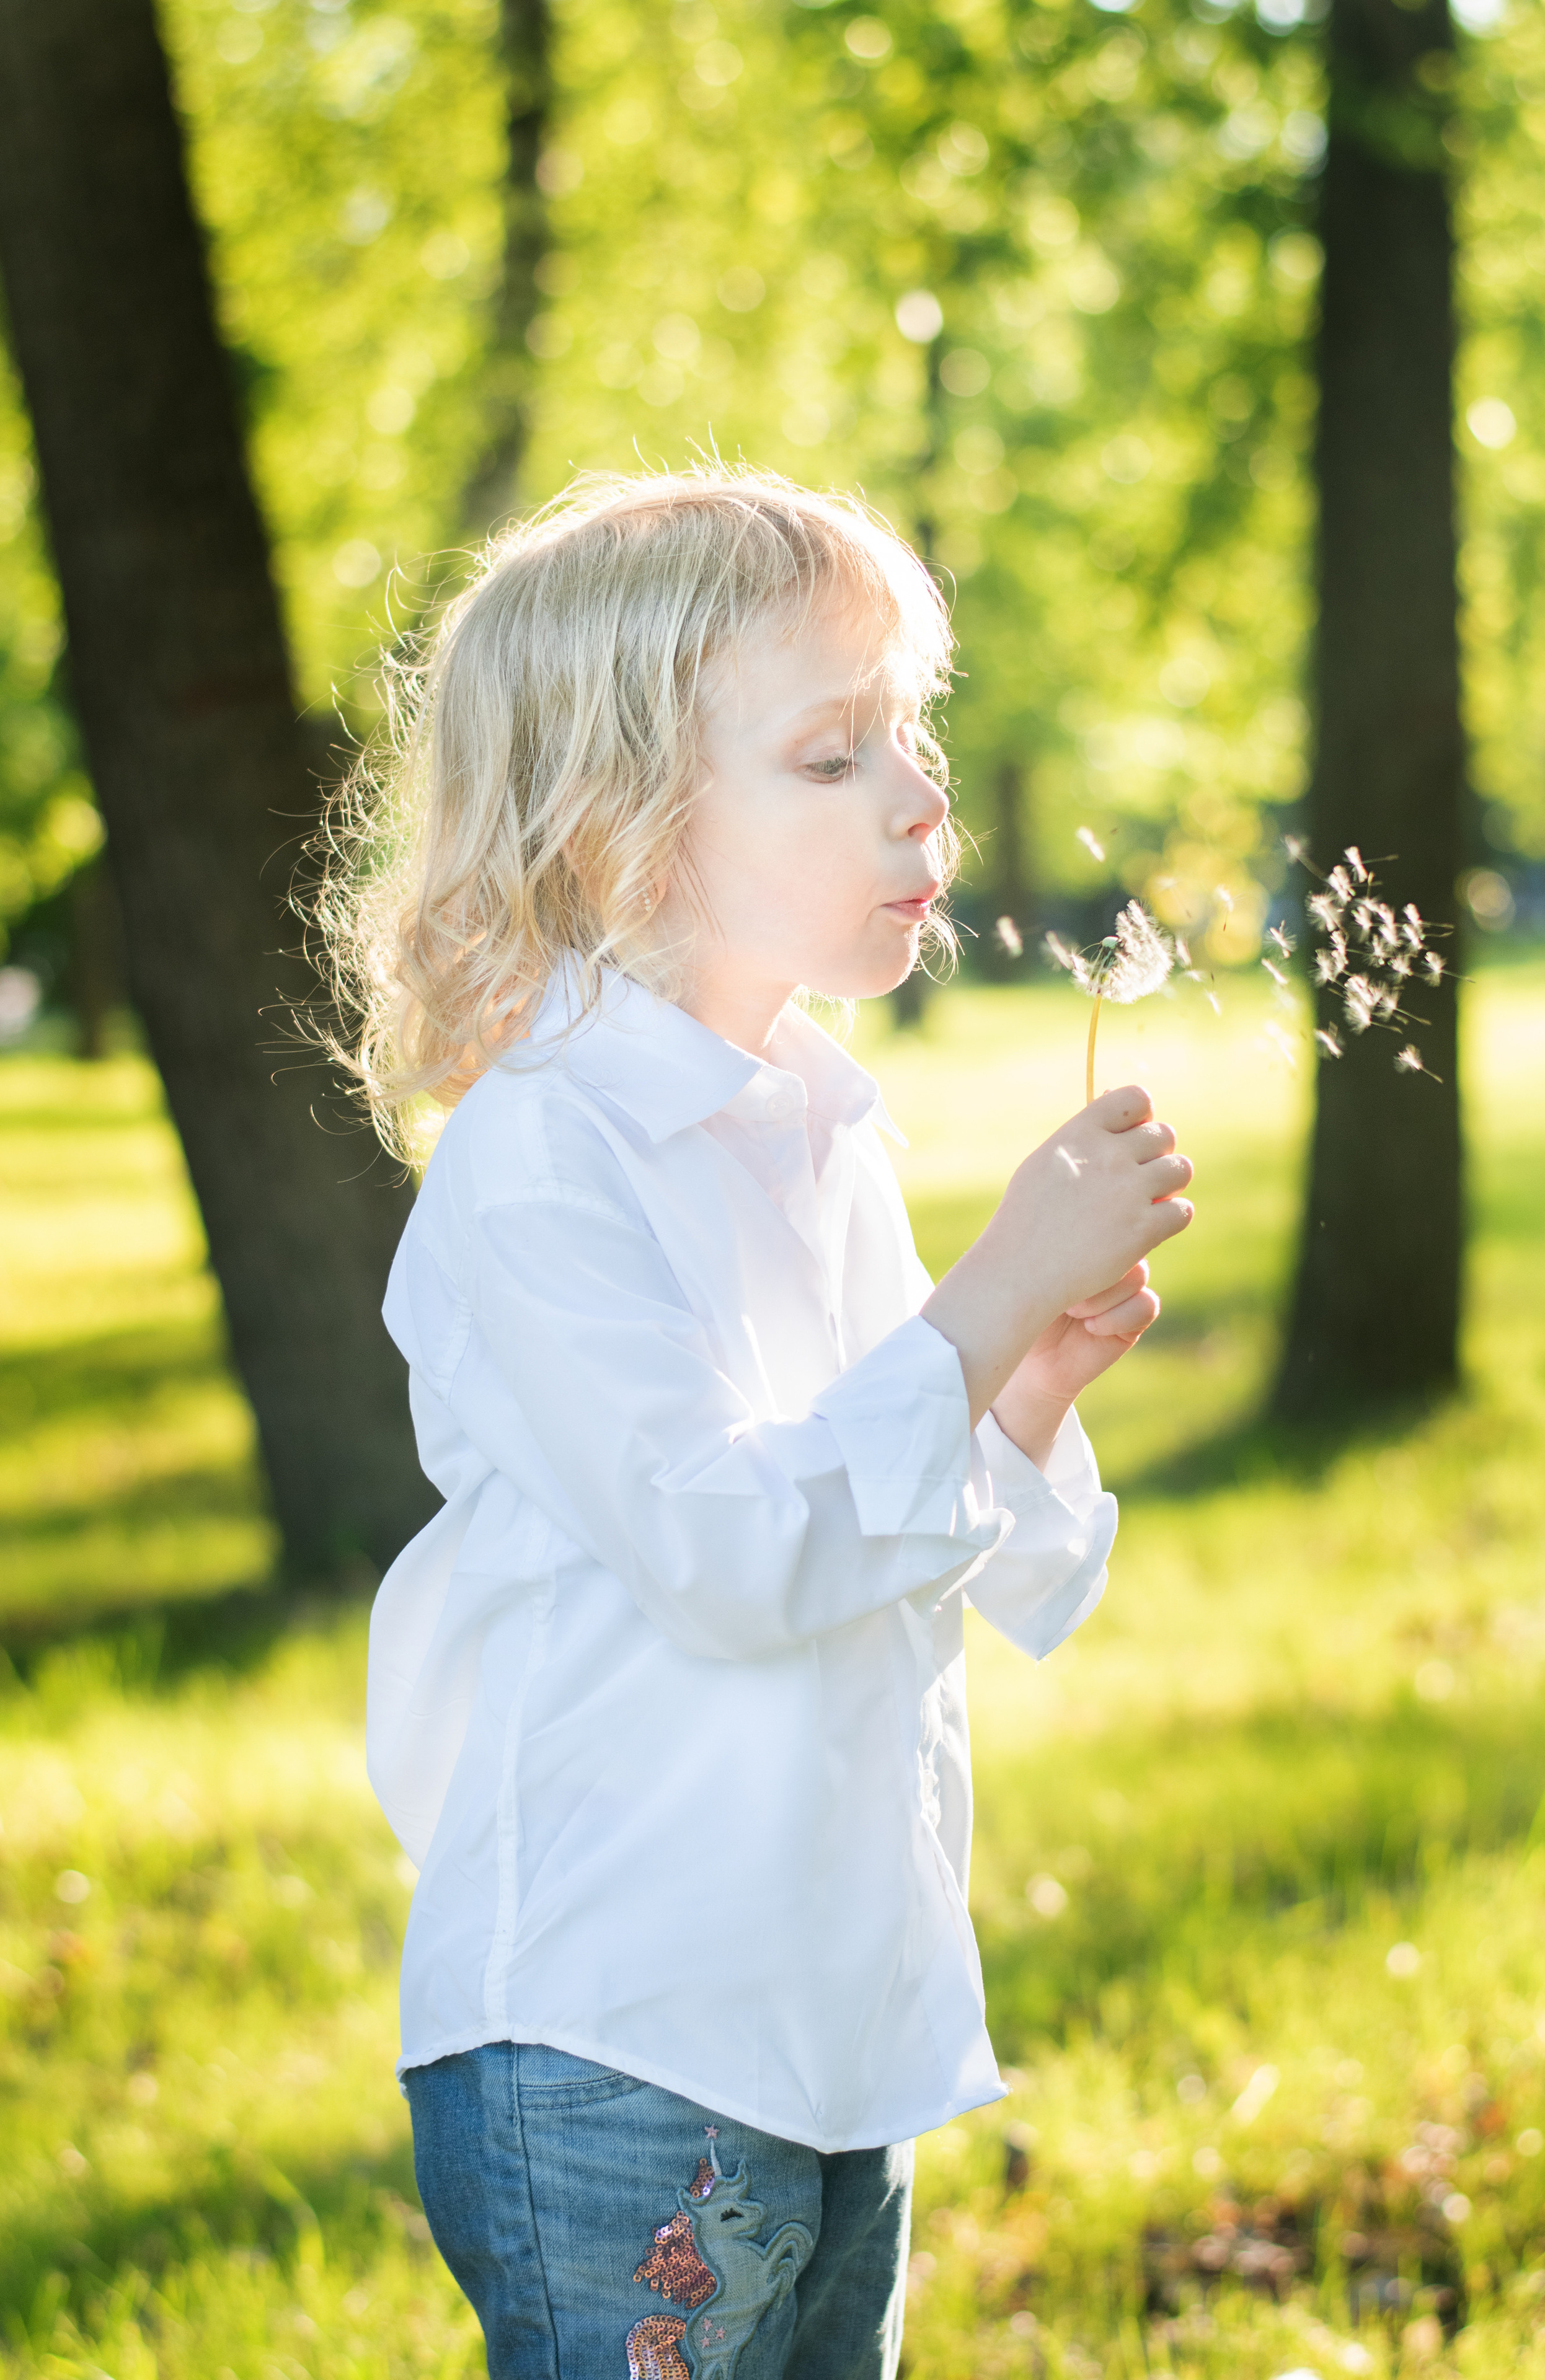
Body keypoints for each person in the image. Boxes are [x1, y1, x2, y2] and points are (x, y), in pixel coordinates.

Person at [327, 467, 1193, 2380]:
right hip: (619, 2032)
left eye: (912, 732)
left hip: (827, 2019)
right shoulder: (544, 1157)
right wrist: (975, 1312)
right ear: (623, 822)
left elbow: (885, 1529)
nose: (917, 796)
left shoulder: (815, 1126)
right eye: (829, 754)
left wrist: (1024, 1389)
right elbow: (730, 1552)